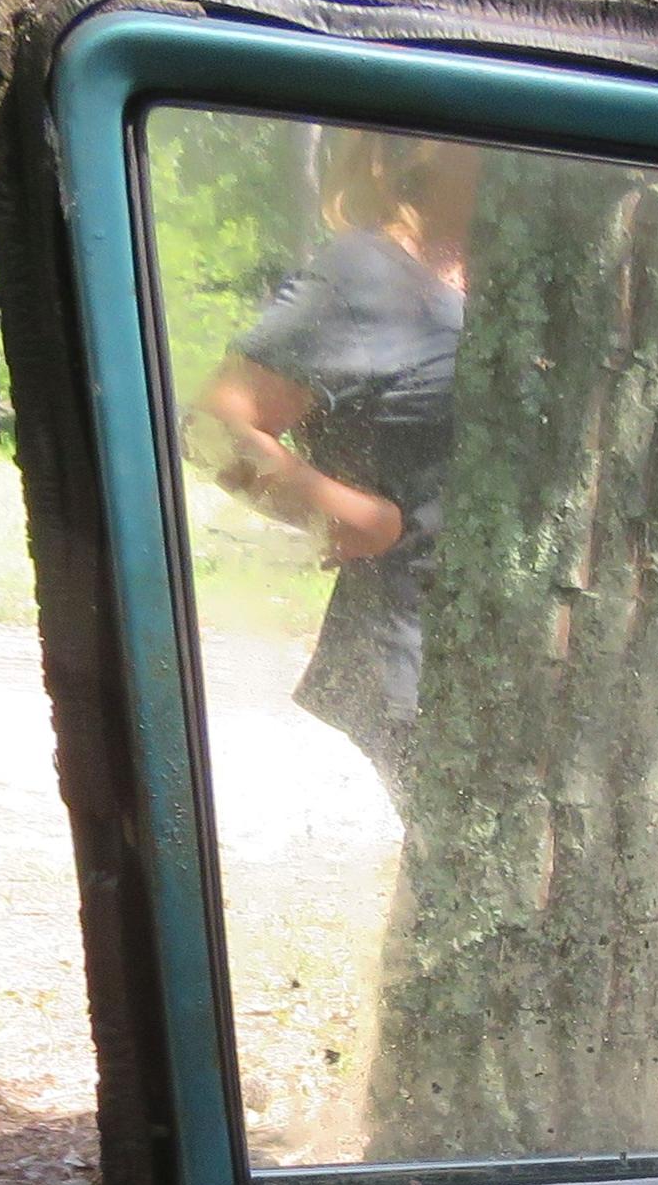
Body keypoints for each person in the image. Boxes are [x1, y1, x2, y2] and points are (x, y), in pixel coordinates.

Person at [190, 135, 482, 811]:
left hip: (500, 655)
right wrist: (357, 520)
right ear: (412, 147)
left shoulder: (506, 271)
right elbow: (213, 425)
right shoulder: (365, 273)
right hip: (417, 660)